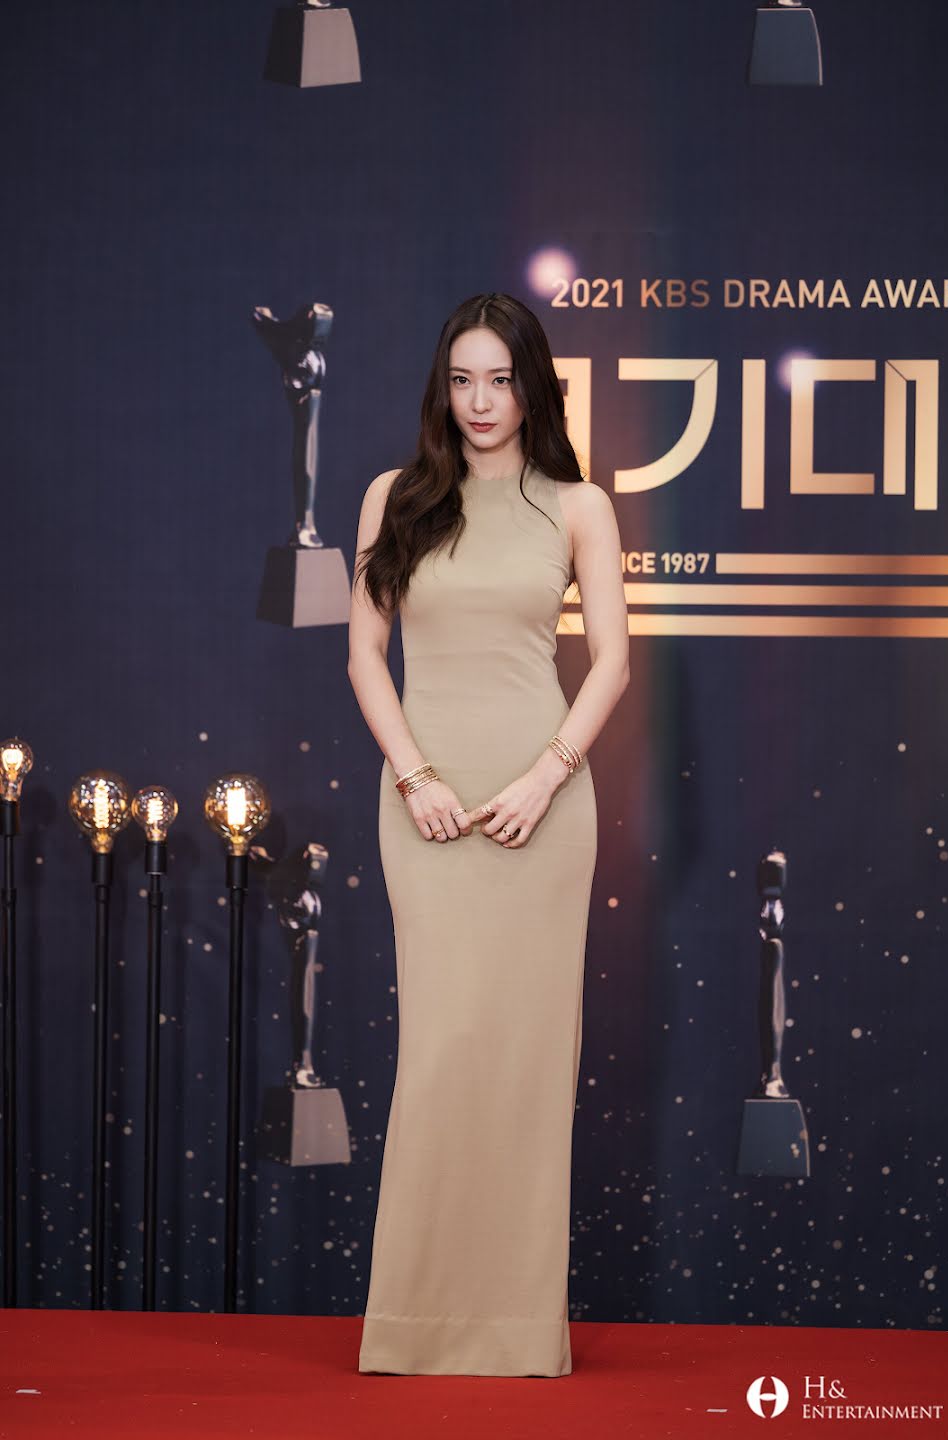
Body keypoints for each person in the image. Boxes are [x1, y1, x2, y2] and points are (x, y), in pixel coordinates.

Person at [347, 292, 629, 1377]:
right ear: (442, 387)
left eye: (500, 381)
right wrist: (413, 773)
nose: (480, 401)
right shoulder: (393, 498)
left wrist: (547, 776)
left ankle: (517, 1330)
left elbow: (611, 663)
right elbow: (366, 658)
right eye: (462, 380)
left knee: (526, 1065)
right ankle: (414, 1327)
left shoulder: (579, 507)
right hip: (423, 807)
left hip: (542, 812)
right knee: (441, 1054)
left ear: (531, 388)